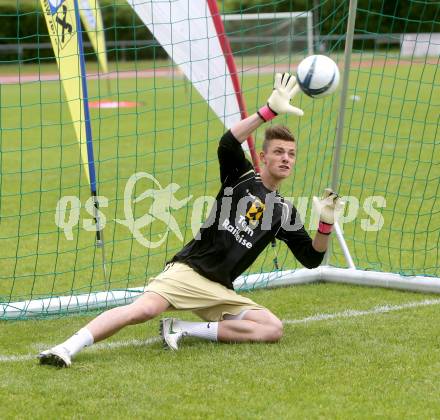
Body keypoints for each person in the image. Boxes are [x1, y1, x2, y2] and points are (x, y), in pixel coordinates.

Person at [39, 72, 343, 367]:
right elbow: (227, 142)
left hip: (220, 290)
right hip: (189, 271)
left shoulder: (285, 211)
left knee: (272, 328)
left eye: (291, 154)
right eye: (278, 152)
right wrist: (268, 112)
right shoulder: (242, 176)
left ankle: (182, 327)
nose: (286, 158)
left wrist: (326, 223)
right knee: (142, 310)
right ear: (263, 158)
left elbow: (312, 258)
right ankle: (66, 347)